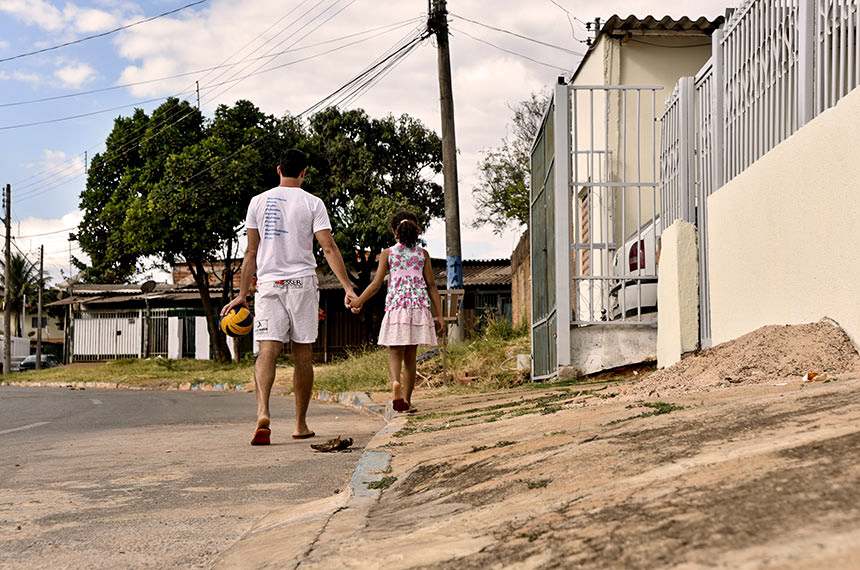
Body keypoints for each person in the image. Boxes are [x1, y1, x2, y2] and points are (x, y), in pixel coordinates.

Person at [222, 149, 356, 446]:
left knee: (267, 351)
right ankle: (300, 424)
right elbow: (329, 248)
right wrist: (348, 287)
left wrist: (243, 295)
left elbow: (251, 253)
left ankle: (262, 412)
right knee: (302, 355)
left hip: (269, 284)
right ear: (304, 173)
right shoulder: (313, 203)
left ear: (278, 169)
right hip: (302, 285)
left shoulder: (257, 202)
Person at [348, 211, 443, 413]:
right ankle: (406, 402)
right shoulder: (422, 255)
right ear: (416, 231)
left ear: (394, 231)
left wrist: (358, 301)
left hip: (397, 307)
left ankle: (394, 383)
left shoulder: (388, 253)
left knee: (395, 352)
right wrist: (440, 315)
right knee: (411, 357)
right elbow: (432, 285)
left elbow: (375, 285)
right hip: (418, 308)